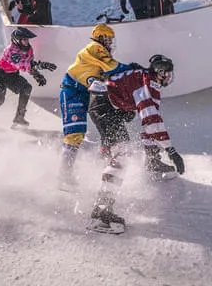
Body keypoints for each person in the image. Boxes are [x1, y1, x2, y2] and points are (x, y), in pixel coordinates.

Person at [86, 54, 184, 233]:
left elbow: (149, 125)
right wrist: (171, 150)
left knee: (122, 152)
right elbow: (152, 122)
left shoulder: (146, 79)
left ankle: (152, 162)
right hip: (103, 105)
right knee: (122, 154)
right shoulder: (148, 84)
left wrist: (153, 154)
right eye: (167, 74)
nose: (169, 78)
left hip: (105, 104)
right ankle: (101, 213)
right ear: (159, 73)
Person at [58, 24, 135, 188]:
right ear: (100, 37)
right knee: (74, 134)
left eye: (111, 39)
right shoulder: (95, 47)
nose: (109, 42)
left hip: (84, 92)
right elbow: (113, 67)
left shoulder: (100, 52)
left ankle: (103, 159)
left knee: (97, 126)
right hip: (72, 91)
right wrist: (133, 69)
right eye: (107, 38)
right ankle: (63, 175)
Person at [0, 27, 57, 136]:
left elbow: (28, 63)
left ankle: (19, 117)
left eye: (27, 39)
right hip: (0, 75)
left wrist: (37, 75)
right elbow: (21, 65)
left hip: (12, 75)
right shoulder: (11, 50)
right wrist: (41, 65)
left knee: (26, 88)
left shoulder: (29, 49)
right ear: (17, 40)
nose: (27, 42)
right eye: (24, 39)